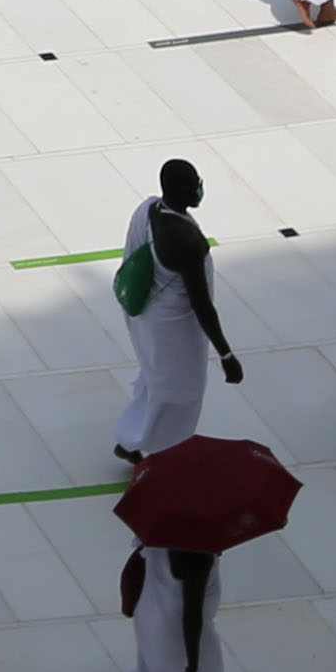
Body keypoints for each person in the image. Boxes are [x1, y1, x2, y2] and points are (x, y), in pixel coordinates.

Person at [112, 160, 241, 460]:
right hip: (173, 330)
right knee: (179, 393)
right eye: (195, 182)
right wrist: (226, 354)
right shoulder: (187, 242)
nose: (199, 187)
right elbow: (201, 305)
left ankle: (131, 440)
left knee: (154, 378)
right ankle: (160, 451)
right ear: (183, 190)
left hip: (146, 316)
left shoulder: (148, 209)